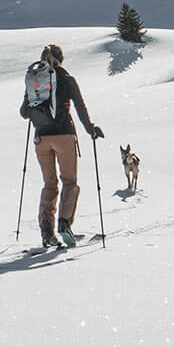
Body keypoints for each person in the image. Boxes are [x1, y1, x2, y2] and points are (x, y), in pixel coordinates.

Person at [20, 42, 103, 249]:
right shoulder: (67, 78)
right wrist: (91, 129)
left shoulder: (36, 80)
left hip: (41, 139)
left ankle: (47, 231)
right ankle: (65, 224)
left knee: (50, 184)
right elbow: (80, 108)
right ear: (61, 59)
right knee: (69, 182)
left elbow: (24, 112)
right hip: (64, 135)